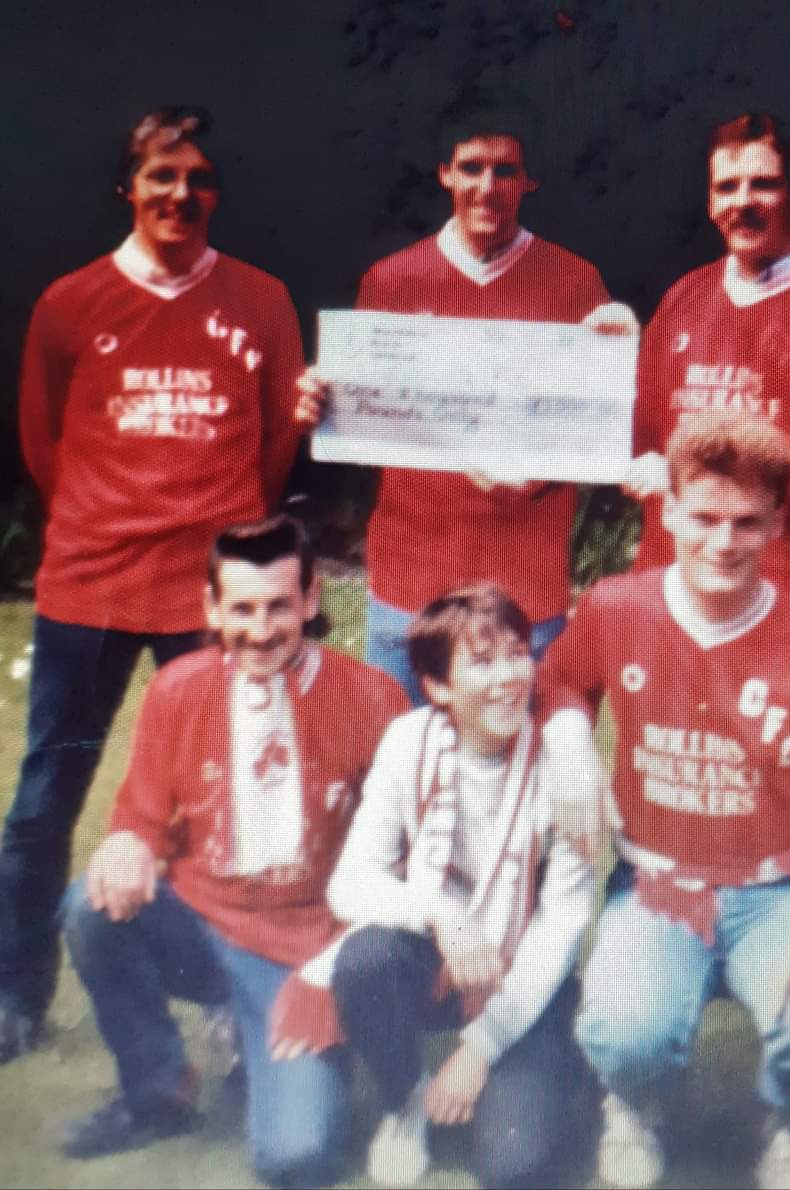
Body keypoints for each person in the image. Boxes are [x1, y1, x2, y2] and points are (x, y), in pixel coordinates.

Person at [0, 106, 306, 1059]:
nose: (182, 195)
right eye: (162, 177)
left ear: (217, 193)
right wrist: (104, 519)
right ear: (128, 189)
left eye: (200, 179)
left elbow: (274, 443)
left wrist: (209, 540)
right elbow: (42, 440)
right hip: (88, 584)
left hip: (211, 597)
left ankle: (226, 986)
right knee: (49, 793)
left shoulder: (260, 299)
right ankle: (16, 992)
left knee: (232, 798)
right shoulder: (70, 301)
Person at [540, 414, 790, 1189]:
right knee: (626, 1032)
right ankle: (632, 1109)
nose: (723, 541)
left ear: (778, 522)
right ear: (667, 510)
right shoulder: (618, 605)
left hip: (778, 885)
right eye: (703, 517)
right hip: (658, 880)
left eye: (747, 522)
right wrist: (571, 739)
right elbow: (558, 681)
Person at [59, 515, 408, 1187]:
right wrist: (127, 844)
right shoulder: (177, 690)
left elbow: (400, 860)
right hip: (199, 927)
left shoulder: (371, 699)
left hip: (300, 951)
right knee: (90, 907)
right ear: (211, 608)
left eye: (280, 605)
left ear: (311, 600)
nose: (259, 627)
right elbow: (141, 818)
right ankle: (157, 1088)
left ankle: (263, 1045)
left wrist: (337, 972)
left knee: (296, 1156)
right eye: (241, 608)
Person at [296, 101, 633, 704]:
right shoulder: (393, 279)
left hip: (524, 585)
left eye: (505, 170)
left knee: (520, 783)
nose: (487, 187)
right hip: (411, 584)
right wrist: (324, 402)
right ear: (445, 173)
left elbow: (596, 432)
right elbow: (369, 420)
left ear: (530, 179)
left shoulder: (575, 280)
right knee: (409, 771)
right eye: (471, 167)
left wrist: (546, 464)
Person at [273, 583, 594, 1188]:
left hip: (521, 973)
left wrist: (481, 1048)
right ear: (438, 687)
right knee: (366, 960)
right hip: (439, 956)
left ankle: (547, 1067)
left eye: (516, 653)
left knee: (515, 1167)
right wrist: (440, 916)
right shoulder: (408, 740)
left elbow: (562, 926)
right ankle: (404, 1102)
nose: (508, 678)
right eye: (482, 662)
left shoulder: (564, 760)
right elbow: (351, 883)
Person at [628, 112, 790, 616]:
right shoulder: (684, 297)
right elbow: (638, 436)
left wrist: (709, 479)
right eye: (726, 187)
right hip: (672, 592)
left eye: (763, 185)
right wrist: (598, 358)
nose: (742, 202)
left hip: (783, 596)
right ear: (709, 201)